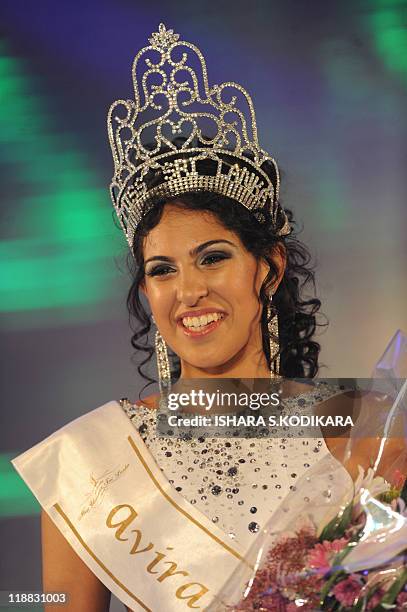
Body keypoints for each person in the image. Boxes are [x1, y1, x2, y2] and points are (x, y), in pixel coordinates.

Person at [12, 23, 406, 612]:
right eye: (162, 270)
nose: (188, 291)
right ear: (146, 291)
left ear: (267, 269)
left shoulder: (366, 431)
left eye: (212, 259)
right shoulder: (93, 462)